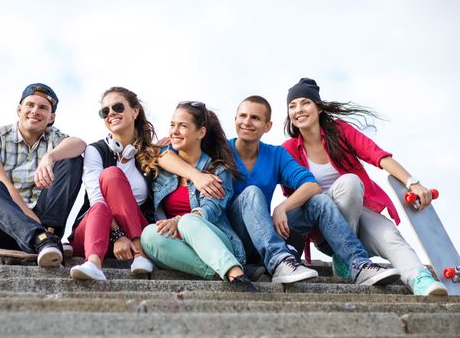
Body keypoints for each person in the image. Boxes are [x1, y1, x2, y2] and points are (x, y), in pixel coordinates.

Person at [160, 96, 400, 286]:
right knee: (251, 192)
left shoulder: (275, 154)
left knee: (319, 201)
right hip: (234, 233)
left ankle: (359, 264)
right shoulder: (220, 149)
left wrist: (282, 207)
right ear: (235, 119)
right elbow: (164, 156)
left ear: (267, 125)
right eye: (242, 116)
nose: (247, 122)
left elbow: (311, 184)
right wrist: (195, 174)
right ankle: (279, 262)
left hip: (266, 230)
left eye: (255, 118)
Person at [282, 77, 447, 296]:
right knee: (349, 183)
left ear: (319, 107)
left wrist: (412, 183)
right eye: (292, 106)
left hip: (358, 215)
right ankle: (343, 254)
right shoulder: (289, 149)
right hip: (323, 231)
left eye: (305, 103)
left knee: (389, 235)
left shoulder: (340, 131)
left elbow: (377, 155)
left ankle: (419, 278)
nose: (298, 110)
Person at [140, 101, 258, 292]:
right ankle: (220, 272)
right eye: (172, 125)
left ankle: (234, 270)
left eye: (183, 126)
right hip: (180, 246)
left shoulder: (218, 169)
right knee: (149, 235)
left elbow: (210, 210)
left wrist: (178, 220)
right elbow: (150, 151)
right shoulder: (163, 168)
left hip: (217, 240)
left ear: (201, 133)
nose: (175, 131)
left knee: (189, 221)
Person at [0, 83, 85, 267]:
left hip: (44, 223)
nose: (35, 111)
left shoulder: (54, 137)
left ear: (51, 117)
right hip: (1, 226)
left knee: (72, 159)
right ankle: (43, 240)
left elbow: (80, 144)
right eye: (30, 105)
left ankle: (50, 236)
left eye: (43, 108)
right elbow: (2, 182)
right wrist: (37, 228)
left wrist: (50, 157)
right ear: (19, 109)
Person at [68, 87, 157, 281]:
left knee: (112, 175)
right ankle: (93, 264)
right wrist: (118, 236)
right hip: (97, 233)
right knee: (109, 179)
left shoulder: (152, 155)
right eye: (105, 111)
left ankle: (140, 253)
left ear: (135, 111)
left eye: (117, 107)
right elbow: (96, 198)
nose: (111, 114)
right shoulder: (96, 151)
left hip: (140, 232)